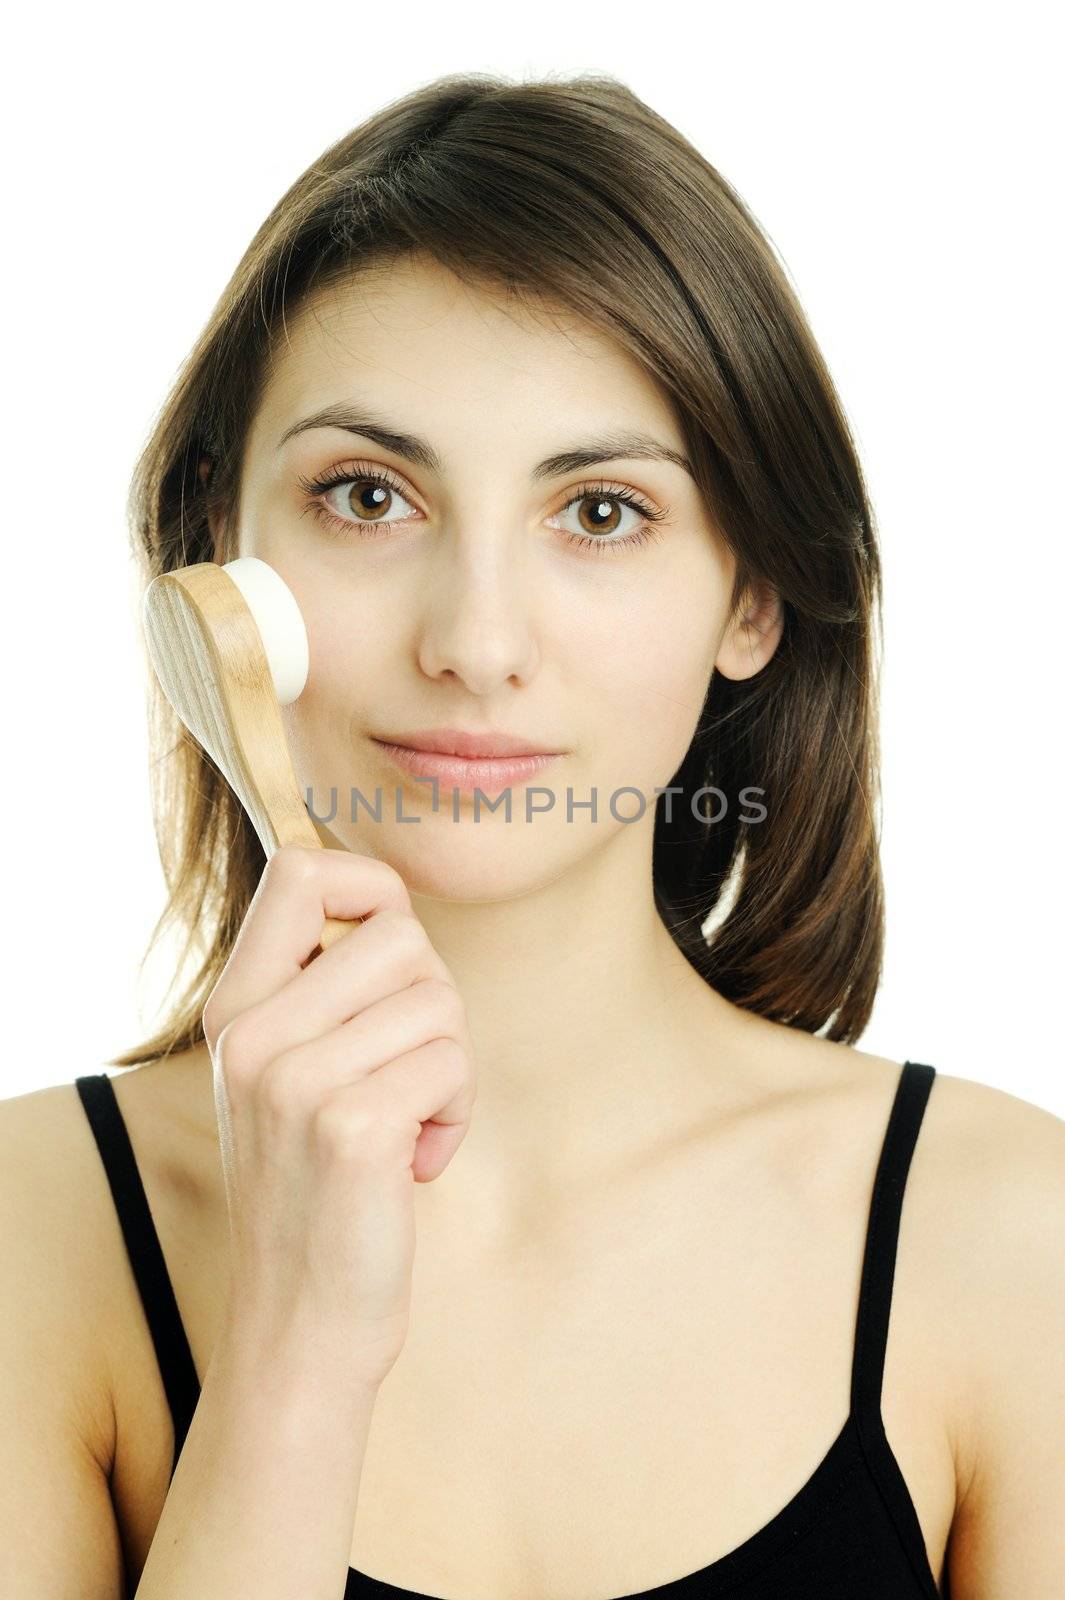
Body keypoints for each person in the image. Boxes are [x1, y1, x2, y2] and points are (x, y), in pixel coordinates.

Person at [1, 71, 1062, 1600]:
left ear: (751, 596)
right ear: (217, 563)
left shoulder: (1015, 1238)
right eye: (367, 495)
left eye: (603, 513)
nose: (477, 641)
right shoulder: (32, 1233)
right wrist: (297, 1352)